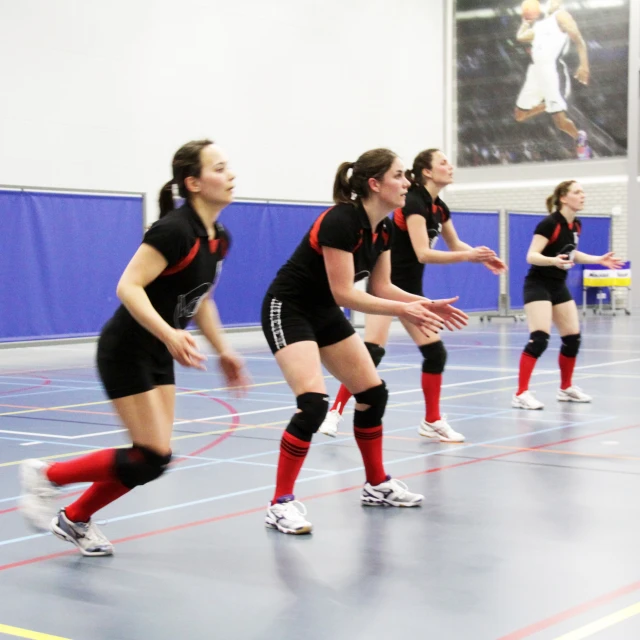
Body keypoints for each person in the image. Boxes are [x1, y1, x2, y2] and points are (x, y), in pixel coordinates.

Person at [19, 139, 250, 555]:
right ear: (194, 182)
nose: (230, 174)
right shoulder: (174, 231)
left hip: (159, 350)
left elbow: (202, 300)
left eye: (228, 166)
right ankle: (47, 475)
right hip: (126, 348)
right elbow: (128, 286)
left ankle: (74, 519)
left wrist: (224, 351)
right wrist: (169, 333)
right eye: (219, 168)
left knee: (153, 460)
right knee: (151, 454)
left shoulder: (219, 238)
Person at [261, 148, 468, 535]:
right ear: (374, 184)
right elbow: (344, 293)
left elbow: (381, 286)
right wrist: (402, 311)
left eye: (407, 176)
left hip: (322, 311)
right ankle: (280, 504)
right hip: (289, 309)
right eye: (398, 176)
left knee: (373, 393)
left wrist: (425, 303)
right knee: (312, 406)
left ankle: (376, 484)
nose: (407, 183)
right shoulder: (341, 220)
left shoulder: (385, 228)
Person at [319, 149, 506, 442]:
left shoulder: (439, 208)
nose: (450, 166)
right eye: (443, 162)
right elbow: (423, 253)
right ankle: (336, 411)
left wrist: (480, 257)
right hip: (386, 288)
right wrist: (468, 257)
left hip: (410, 293)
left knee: (435, 352)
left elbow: (454, 242)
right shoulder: (414, 202)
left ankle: (432, 421)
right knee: (371, 353)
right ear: (427, 172)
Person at [512, 180, 624, 409]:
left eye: (583, 192)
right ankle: (521, 393)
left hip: (558, 285)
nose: (582, 195)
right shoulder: (549, 224)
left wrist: (598, 259)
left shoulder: (575, 225)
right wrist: (552, 261)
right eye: (577, 192)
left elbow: (572, 253)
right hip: (538, 284)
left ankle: (565, 388)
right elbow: (531, 256)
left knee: (572, 338)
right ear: (563, 198)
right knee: (539, 339)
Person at [514, 0, 591, 156]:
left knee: (561, 123)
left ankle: (579, 137)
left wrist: (584, 65)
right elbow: (521, 37)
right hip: (535, 72)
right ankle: (546, 104)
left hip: (552, 72)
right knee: (519, 116)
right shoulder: (541, 25)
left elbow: (578, 39)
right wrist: (526, 22)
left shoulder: (561, 16)